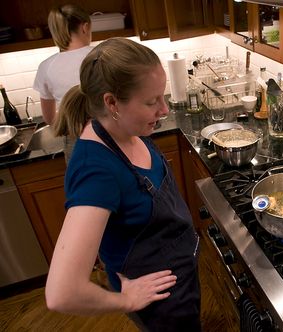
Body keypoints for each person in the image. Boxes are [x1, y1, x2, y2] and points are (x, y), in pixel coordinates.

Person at [46, 38, 201, 332]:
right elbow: (61, 293)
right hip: (160, 304)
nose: (165, 109)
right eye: (151, 101)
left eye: (162, 96)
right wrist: (126, 300)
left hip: (181, 281)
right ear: (112, 102)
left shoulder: (127, 129)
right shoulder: (96, 169)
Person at [33, 4, 93, 125]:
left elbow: (50, 118)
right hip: (112, 131)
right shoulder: (105, 53)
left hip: (74, 135)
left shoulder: (46, 67)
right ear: (85, 28)